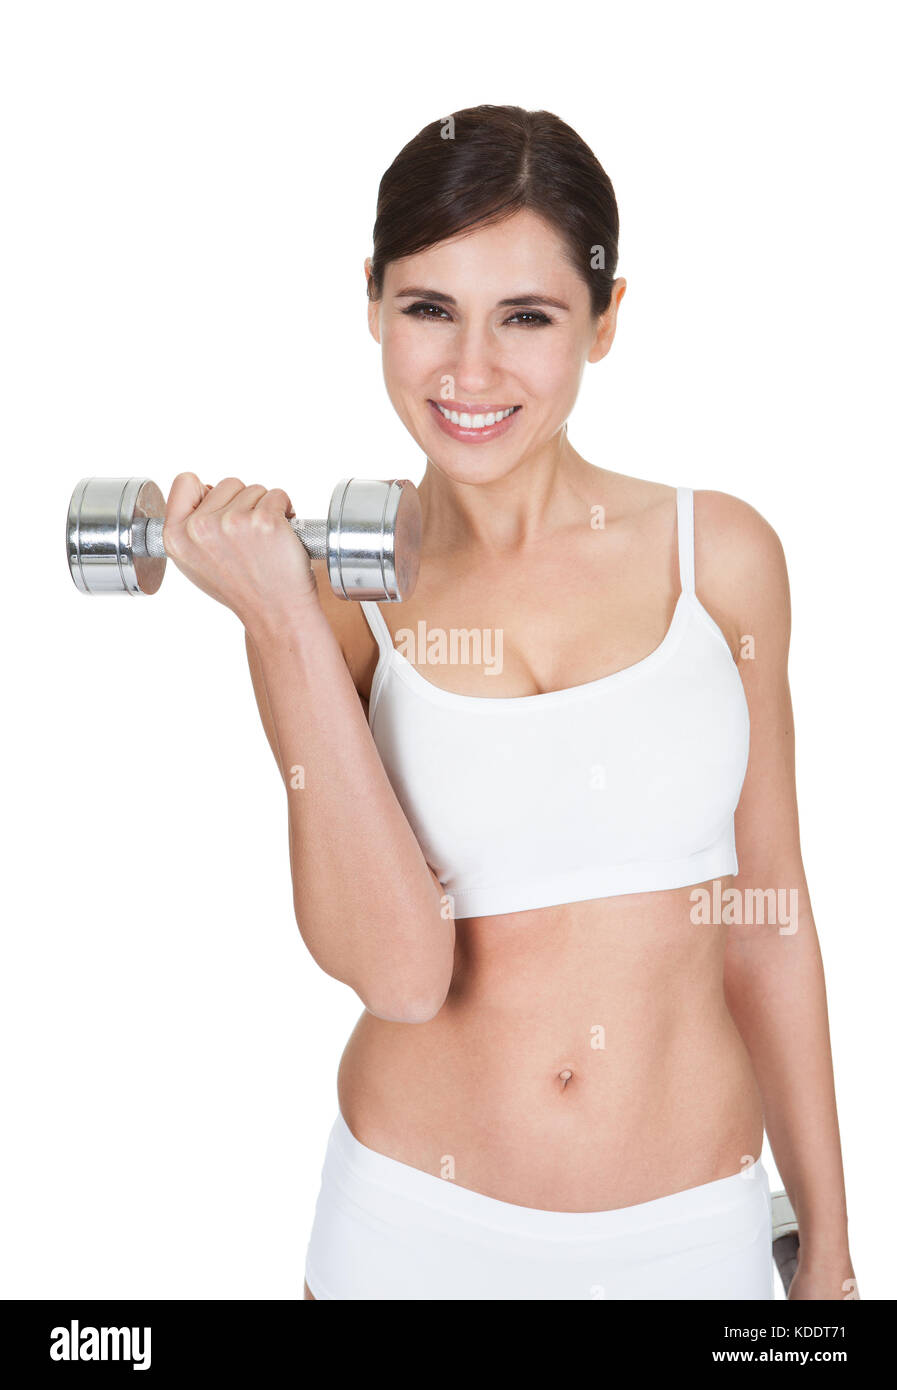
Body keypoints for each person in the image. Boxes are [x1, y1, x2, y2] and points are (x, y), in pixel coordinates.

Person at [161, 106, 856, 1300]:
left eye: (526, 317)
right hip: (411, 1230)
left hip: (691, 1235)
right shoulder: (333, 592)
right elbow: (399, 974)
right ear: (372, 303)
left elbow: (772, 917)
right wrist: (277, 621)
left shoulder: (719, 556)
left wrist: (832, 1265)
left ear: (606, 320)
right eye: (429, 308)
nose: (470, 371)